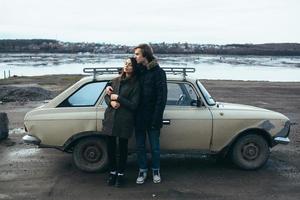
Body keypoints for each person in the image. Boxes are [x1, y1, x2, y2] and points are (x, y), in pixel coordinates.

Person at [102, 57, 140, 187]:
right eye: (125, 64)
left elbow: (134, 105)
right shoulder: (115, 81)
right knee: (110, 148)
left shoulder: (136, 84)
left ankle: (121, 175)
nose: (127, 66)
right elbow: (106, 97)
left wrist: (119, 98)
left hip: (125, 120)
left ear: (134, 68)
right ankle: (112, 173)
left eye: (130, 65)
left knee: (123, 149)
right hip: (110, 118)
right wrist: (111, 102)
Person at [133, 44, 167, 184]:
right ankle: (142, 170)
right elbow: (124, 74)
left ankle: (156, 170)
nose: (135, 57)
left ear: (145, 55)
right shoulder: (139, 71)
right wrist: (110, 86)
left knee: (155, 148)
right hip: (139, 116)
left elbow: (162, 97)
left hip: (153, 116)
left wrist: (156, 118)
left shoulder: (158, 72)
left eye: (137, 54)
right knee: (140, 147)